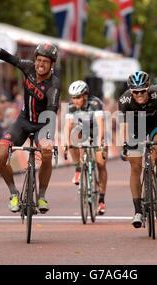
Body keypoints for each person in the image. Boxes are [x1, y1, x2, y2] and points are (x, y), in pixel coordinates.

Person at [0, 43, 61, 214]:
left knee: (47, 153)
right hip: (23, 121)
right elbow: (12, 59)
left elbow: (52, 110)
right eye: (38, 60)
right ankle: (13, 193)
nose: (40, 64)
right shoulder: (28, 68)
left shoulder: (54, 84)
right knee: (0, 155)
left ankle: (41, 195)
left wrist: (47, 137)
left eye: (45, 62)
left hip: (43, 124)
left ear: (52, 65)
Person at [119, 71, 157, 228]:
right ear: (131, 91)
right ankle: (138, 211)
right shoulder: (124, 100)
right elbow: (123, 127)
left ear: (148, 88)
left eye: (142, 91)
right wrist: (123, 145)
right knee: (135, 167)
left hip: (156, 123)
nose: (139, 94)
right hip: (136, 125)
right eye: (136, 92)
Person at [64, 80, 108, 215]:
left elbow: (100, 123)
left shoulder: (95, 103)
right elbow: (68, 124)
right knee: (72, 138)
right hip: (82, 129)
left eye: (77, 97)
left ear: (85, 95)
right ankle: (78, 168)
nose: (75, 100)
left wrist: (100, 141)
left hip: (96, 131)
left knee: (101, 164)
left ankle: (101, 200)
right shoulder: (71, 106)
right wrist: (66, 142)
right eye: (72, 97)